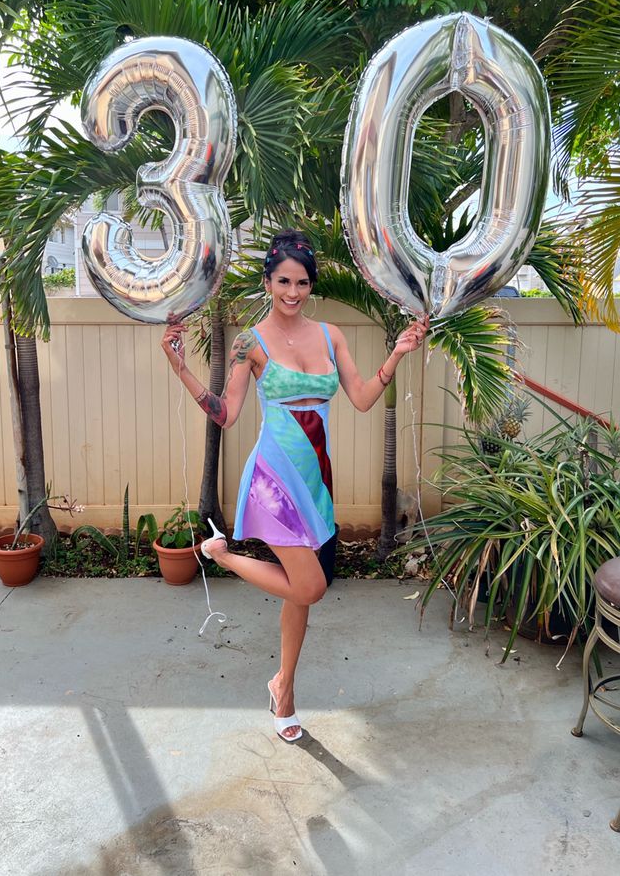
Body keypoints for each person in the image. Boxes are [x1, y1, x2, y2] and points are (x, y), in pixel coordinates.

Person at [161, 229, 429, 741]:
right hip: (276, 476)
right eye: (283, 280)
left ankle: (283, 688)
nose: (293, 291)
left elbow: (364, 397)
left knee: (299, 598)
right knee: (311, 586)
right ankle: (219, 554)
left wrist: (396, 353)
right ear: (267, 281)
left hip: (318, 478)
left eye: (302, 282)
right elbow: (227, 413)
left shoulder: (331, 336)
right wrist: (180, 369)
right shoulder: (250, 342)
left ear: (310, 286)